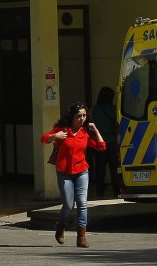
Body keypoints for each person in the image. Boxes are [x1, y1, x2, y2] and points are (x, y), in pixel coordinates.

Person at [41, 101, 106, 248]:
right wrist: (55, 136)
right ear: (72, 117)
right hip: (64, 172)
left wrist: (95, 130)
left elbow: (101, 147)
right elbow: (43, 139)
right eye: (79, 116)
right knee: (68, 205)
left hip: (82, 171)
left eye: (84, 115)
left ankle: (81, 236)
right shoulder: (62, 131)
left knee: (82, 203)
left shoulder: (85, 133)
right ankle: (61, 226)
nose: (82, 119)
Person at [90, 87, 120, 198]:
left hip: (99, 144)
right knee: (114, 169)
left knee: (100, 169)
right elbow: (117, 126)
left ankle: (99, 192)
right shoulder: (114, 109)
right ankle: (117, 190)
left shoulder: (93, 110)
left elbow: (91, 127)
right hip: (112, 143)